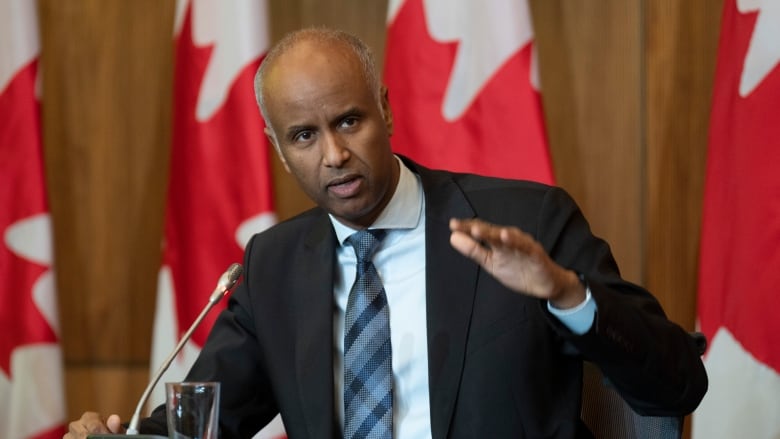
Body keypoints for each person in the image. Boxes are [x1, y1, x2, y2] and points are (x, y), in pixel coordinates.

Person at [66, 27, 707, 439]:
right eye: (304, 136)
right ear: (278, 148)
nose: (334, 155)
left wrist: (568, 295)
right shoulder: (275, 265)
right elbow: (208, 423)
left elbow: (679, 382)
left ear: (388, 110)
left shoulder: (527, 222)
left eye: (349, 121)